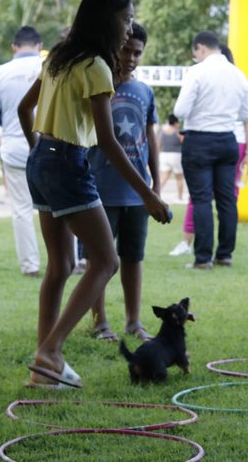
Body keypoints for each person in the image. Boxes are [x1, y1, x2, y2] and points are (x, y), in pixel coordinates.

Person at [18, 0, 170, 389]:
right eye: (125, 19)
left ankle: (42, 368)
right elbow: (108, 140)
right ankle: (50, 352)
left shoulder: (60, 60)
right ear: (107, 20)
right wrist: (149, 194)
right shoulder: (97, 68)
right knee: (105, 261)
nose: (128, 28)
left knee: (61, 266)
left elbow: (23, 108)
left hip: (42, 161)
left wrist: (42, 153)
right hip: (67, 163)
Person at [87, 22, 159, 342]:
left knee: (133, 256)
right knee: (101, 260)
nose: (131, 57)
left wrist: (153, 181)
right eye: (126, 50)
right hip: (102, 187)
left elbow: (149, 137)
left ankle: (134, 321)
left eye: (137, 52)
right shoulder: (99, 85)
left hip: (137, 191)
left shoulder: (144, 91)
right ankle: (100, 322)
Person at [173, 33, 248, 269]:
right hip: (227, 140)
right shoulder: (238, 74)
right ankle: (225, 254)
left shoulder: (196, 72)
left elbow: (180, 110)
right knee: (227, 199)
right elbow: (246, 114)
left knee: (201, 199)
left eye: (195, 52)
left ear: (200, 48)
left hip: (199, 138)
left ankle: (202, 258)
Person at [0, 26, 44, 277]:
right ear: (39, 46)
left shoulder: (0, 73)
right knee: (63, 207)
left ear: (14, 47)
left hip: (16, 149)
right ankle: (68, 261)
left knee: (22, 210)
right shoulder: (51, 68)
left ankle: (30, 266)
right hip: (51, 146)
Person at [159, 114, 185, 202]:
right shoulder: (177, 131)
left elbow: (159, 144)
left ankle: (156, 193)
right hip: (176, 155)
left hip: (164, 155)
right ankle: (180, 198)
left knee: (164, 177)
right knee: (179, 178)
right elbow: (183, 142)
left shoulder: (162, 131)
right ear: (176, 123)